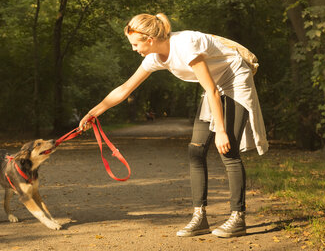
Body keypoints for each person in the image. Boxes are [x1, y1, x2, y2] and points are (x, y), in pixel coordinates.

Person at [79, 13, 268, 238]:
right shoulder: (154, 58)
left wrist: (221, 131)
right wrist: (93, 112)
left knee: (228, 150)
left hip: (234, 78)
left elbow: (212, 91)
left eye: (135, 44)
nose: (133, 49)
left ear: (150, 39)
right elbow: (125, 88)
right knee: (196, 150)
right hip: (215, 87)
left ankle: (238, 218)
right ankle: (200, 218)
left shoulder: (185, 45)